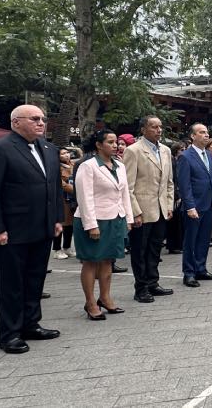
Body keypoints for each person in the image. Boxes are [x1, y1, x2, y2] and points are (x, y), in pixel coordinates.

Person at [0, 104, 65, 354]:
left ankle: (31, 323)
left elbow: (54, 187)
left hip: (42, 226)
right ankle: (10, 333)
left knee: (35, 279)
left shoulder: (48, 149)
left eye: (43, 119)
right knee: (12, 283)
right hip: (13, 230)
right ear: (16, 122)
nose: (41, 123)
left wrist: (57, 218)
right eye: (34, 119)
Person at [73, 130, 132, 320]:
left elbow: (124, 194)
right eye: (110, 142)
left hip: (115, 217)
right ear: (99, 145)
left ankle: (105, 298)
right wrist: (91, 225)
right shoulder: (87, 166)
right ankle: (90, 302)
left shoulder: (120, 166)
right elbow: (84, 197)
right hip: (93, 219)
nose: (115, 145)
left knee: (108, 260)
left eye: (117, 142)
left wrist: (128, 218)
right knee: (91, 260)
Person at [121, 116, 175, 303]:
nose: (159, 130)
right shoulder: (133, 151)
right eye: (154, 127)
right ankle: (141, 287)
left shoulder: (166, 150)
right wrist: (135, 211)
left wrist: (169, 205)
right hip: (142, 210)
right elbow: (129, 186)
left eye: (160, 126)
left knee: (155, 248)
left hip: (160, 208)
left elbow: (169, 183)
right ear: (143, 129)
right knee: (140, 250)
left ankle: (153, 281)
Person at [176, 123, 212, 287]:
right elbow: (184, 184)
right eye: (202, 132)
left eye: (207, 132)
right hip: (194, 206)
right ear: (193, 136)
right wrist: (189, 206)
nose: (206, 135)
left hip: (209, 204)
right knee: (191, 241)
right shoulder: (186, 156)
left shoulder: (209, 155)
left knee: (204, 239)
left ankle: (200, 268)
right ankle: (188, 273)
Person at [54, 148, 76, 259]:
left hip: (72, 199)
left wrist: (75, 148)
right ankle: (57, 249)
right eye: (63, 153)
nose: (66, 155)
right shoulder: (56, 166)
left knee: (70, 224)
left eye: (67, 153)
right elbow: (60, 182)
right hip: (62, 198)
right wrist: (72, 189)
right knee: (61, 223)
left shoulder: (73, 164)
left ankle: (67, 247)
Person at [165, 141, 187, 254]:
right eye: (181, 150)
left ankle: (178, 244)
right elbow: (173, 179)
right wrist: (176, 194)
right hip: (173, 194)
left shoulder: (179, 161)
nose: (184, 152)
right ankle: (173, 245)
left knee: (178, 221)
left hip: (177, 193)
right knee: (174, 221)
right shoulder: (172, 161)